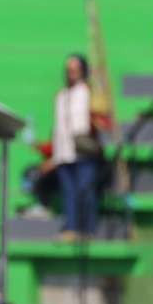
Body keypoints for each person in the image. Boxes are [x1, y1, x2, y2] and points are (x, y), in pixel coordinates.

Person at [51, 53, 99, 241]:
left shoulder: (88, 92)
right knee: (68, 192)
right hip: (64, 152)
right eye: (69, 70)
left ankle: (88, 229)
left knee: (85, 189)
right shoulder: (61, 96)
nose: (72, 73)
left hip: (84, 150)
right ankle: (71, 227)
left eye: (75, 69)